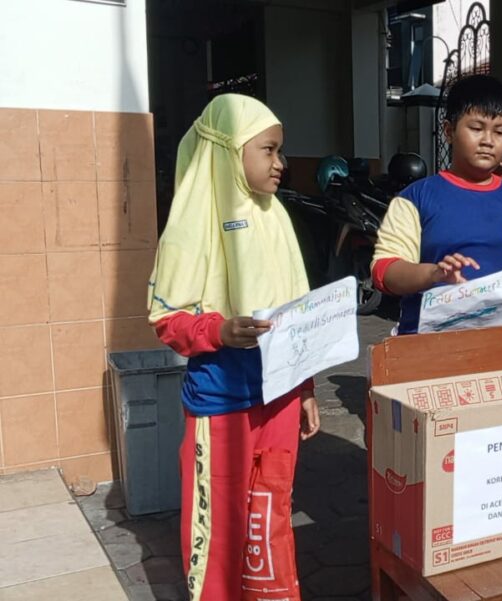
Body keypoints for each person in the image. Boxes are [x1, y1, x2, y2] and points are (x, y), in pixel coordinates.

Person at [147, 94, 321, 600]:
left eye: (280, 151)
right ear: (227, 150)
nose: (280, 162)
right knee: (219, 526)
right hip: (222, 402)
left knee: (271, 513)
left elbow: (296, 313)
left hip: (280, 397)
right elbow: (166, 320)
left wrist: (305, 388)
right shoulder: (190, 227)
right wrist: (219, 332)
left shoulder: (276, 216)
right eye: (268, 150)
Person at [370, 75, 502, 334]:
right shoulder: (414, 199)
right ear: (449, 131)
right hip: (427, 350)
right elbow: (386, 271)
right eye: (476, 128)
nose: (488, 141)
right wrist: (433, 274)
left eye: (499, 131)